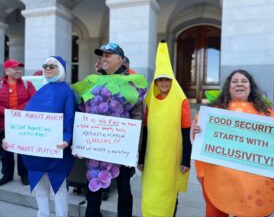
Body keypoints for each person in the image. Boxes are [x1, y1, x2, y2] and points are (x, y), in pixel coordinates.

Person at [191, 69, 274, 217]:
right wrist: (197, 131)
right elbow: (199, 135)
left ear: (250, 86)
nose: (239, 85)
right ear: (229, 87)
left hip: (250, 183)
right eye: (234, 82)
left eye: (243, 81)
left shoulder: (265, 112)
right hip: (219, 178)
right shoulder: (215, 112)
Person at [4, 56, 77, 217]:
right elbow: (26, 118)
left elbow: (70, 118)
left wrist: (67, 139)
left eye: (52, 66)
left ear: (61, 69)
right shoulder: (41, 90)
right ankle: (42, 214)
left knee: (58, 189)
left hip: (57, 150)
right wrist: (11, 137)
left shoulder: (67, 92)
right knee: (40, 188)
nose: (48, 68)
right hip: (38, 151)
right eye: (45, 65)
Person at [83, 42, 145, 217]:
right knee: (93, 188)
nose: (104, 58)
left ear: (120, 60)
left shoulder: (131, 84)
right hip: (96, 146)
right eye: (102, 55)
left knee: (124, 189)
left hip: (121, 147)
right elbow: (84, 111)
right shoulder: (93, 82)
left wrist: (135, 149)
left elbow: (138, 116)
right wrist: (80, 143)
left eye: (108, 55)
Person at [137, 41, 192, 217]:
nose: (164, 82)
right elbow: (145, 131)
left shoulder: (181, 101)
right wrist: (142, 157)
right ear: (155, 81)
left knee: (169, 195)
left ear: (172, 80)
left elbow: (186, 131)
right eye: (160, 79)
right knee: (151, 195)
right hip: (152, 159)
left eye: (167, 79)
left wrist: (186, 160)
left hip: (172, 159)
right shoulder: (150, 101)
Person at [0, 59, 36, 186]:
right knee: (5, 151)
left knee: (23, 150)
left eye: (20, 68)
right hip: (3, 124)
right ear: (7, 70)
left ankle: (24, 174)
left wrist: (17, 112)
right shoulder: (0, 85)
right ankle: (7, 174)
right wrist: (8, 113)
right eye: (15, 68)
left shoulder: (27, 83)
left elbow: (34, 100)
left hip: (22, 123)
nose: (18, 71)